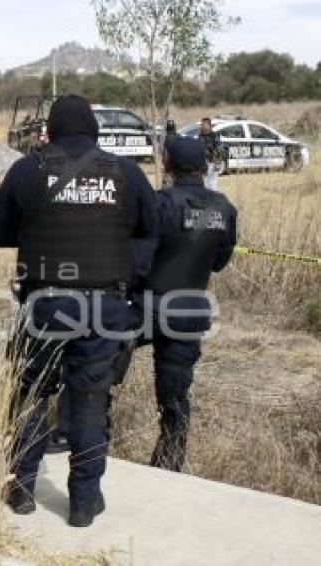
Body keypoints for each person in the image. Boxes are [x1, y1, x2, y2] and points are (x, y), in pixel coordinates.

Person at [0, 94, 157, 526]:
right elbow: (151, 234)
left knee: (30, 394)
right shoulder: (128, 174)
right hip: (106, 308)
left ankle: (22, 490)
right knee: (89, 402)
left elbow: (0, 233)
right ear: (94, 129)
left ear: (51, 129)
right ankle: (84, 503)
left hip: (44, 304)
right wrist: (127, 278)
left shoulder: (26, 170)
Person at [133, 137, 237, 471]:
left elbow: (140, 258)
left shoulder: (160, 203)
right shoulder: (225, 208)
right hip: (190, 310)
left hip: (145, 307)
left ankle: (90, 442)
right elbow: (219, 263)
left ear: (167, 165)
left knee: (100, 368)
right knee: (175, 398)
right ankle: (169, 464)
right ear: (205, 166)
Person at [198, 117, 223, 191]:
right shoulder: (200, 136)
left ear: (209, 125)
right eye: (201, 125)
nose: (202, 126)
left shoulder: (214, 136)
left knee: (212, 184)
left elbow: (219, 150)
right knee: (204, 183)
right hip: (203, 163)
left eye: (203, 124)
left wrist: (217, 162)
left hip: (212, 162)